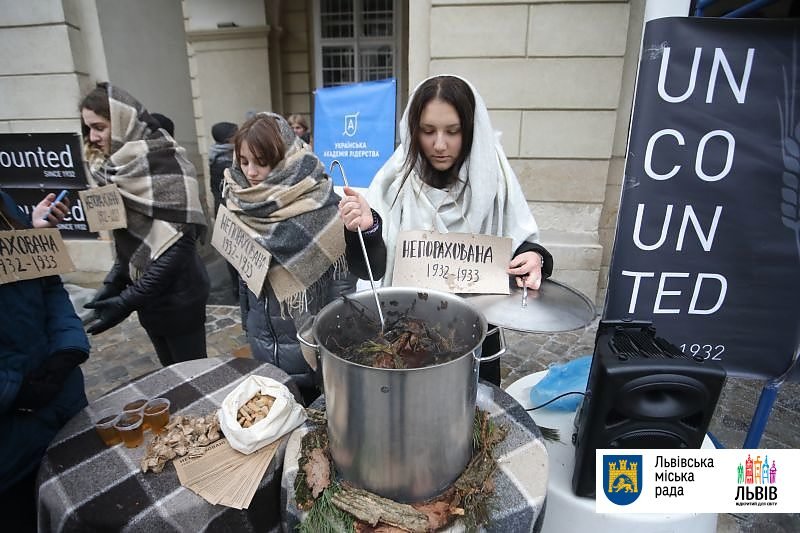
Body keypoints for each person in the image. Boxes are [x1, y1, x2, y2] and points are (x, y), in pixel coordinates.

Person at [338, 75, 553, 385]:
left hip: (477, 332)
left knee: (474, 414)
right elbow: (370, 270)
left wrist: (533, 257)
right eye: (428, 131)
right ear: (414, 129)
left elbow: (521, 240)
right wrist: (367, 229)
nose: (440, 145)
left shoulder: (495, 177)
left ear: (470, 130)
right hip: (406, 339)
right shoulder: (393, 181)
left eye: (453, 132)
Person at [223, 112, 353, 405]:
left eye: (261, 161)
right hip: (262, 344)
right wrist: (248, 327)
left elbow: (341, 287)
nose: (251, 172)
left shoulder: (320, 205)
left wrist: (335, 349)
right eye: (244, 162)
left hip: (309, 347)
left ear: (284, 158)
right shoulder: (239, 202)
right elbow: (246, 278)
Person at [79, 82, 210, 367]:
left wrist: (126, 301)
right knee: (169, 372)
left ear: (122, 121)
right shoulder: (113, 170)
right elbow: (129, 241)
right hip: (147, 299)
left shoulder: (168, 163)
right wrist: (114, 281)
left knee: (190, 373)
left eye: (100, 127)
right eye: (88, 128)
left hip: (180, 297)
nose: (93, 137)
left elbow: (178, 249)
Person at [0, 190, 89, 532]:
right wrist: (13, 389)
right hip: (11, 454)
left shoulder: (5, 204)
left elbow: (49, 286)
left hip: (64, 409)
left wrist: (67, 350)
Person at [209, 121, 240, 301]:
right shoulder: (227, 160)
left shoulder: (214, 154)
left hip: (221, 208)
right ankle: (238, 288)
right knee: (237, 253)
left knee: (231, 252)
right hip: (231, 209)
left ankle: (236, 288)